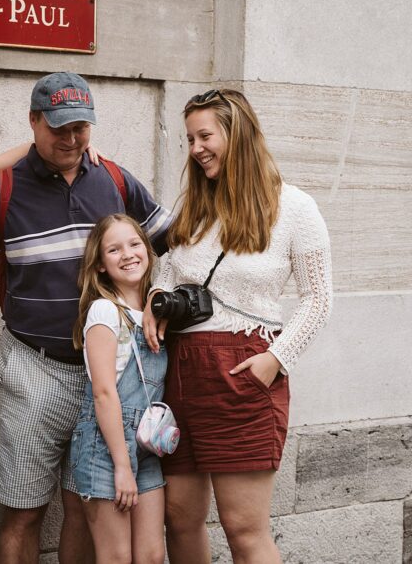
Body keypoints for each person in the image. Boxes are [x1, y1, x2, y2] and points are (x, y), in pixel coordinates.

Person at [0, 72, 172, 564]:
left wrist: (160, 294)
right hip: (33, 371)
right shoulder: (3, 190)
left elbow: (176, 242)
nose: (72, 139)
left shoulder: (116, 180)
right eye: (59, 127)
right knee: (24, 511)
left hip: (106, 378)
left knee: (83, 507)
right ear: (33, 122)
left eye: (81, 127)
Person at [142, 89, 333, 564]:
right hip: (180, 376)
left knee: (244, 529)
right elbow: (169, 271)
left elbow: (319, 298)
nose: (195, 148)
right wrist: (152, 300)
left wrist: (275, 360)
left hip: (244, 374)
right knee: (180, 521)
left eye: (205, 135)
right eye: (189, 139)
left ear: (237, 133)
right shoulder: (194, 206)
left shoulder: (295, 208)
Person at [69, 214, 167, 564]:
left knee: (152, 556)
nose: (127, 254)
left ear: (148, 251)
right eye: (114, 249)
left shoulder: (157, 313)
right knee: (116, 558)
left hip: (146, 446)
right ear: (99, 266)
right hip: (106, 448)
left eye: (134, 243)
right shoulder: (104, 312)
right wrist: (122, 467)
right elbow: (104, 394)